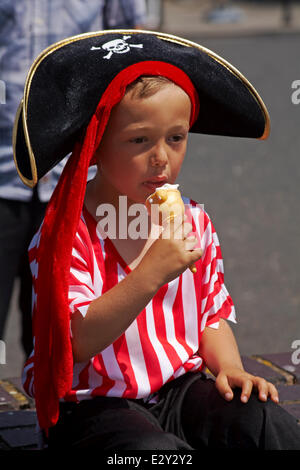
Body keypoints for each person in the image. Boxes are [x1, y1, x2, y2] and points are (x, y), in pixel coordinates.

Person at [15, 31, 300, 450]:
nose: (161, 157)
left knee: (264, 423)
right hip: (94, 405)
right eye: (139, 140)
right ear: (94, 147)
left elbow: (210, 314)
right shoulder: (68, 233)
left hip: (178, 388)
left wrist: (231, 366)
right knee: (157, 456)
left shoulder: (194, 219)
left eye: (176, 137)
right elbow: (74, 341)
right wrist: (152, 272)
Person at [0, 0, 147, 359]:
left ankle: (58, 412)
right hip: (1, 170)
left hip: (77, 177)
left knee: (63, 328)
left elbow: (135, 48)